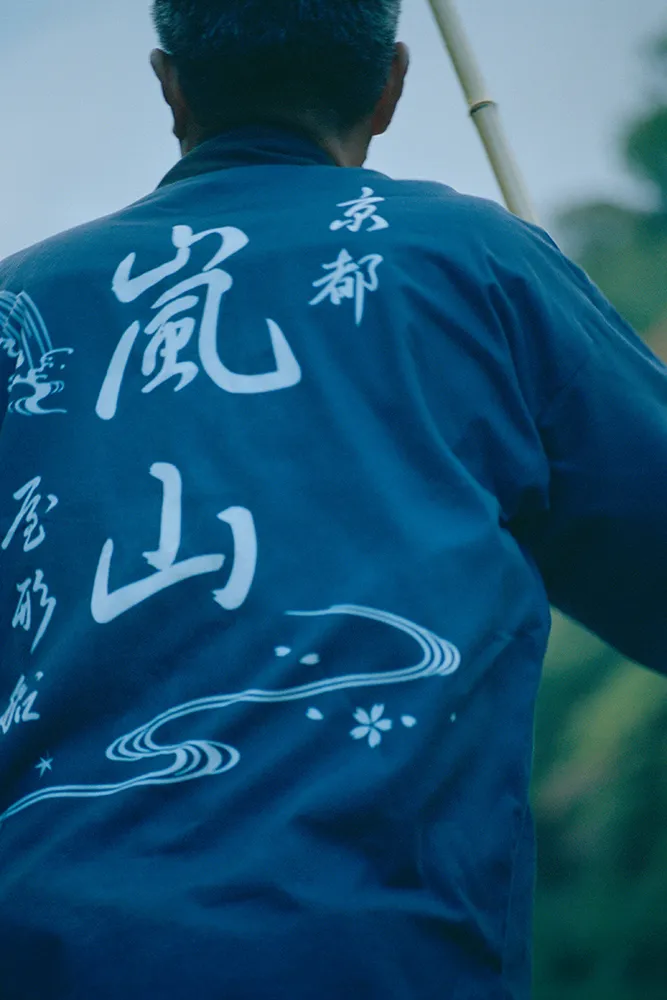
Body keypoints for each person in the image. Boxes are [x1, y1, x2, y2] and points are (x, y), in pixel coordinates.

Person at [0, 1, 665, 997]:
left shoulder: (19, 310)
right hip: (380, 955)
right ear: (390, 84)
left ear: (170, 85)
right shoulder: (473, 262)